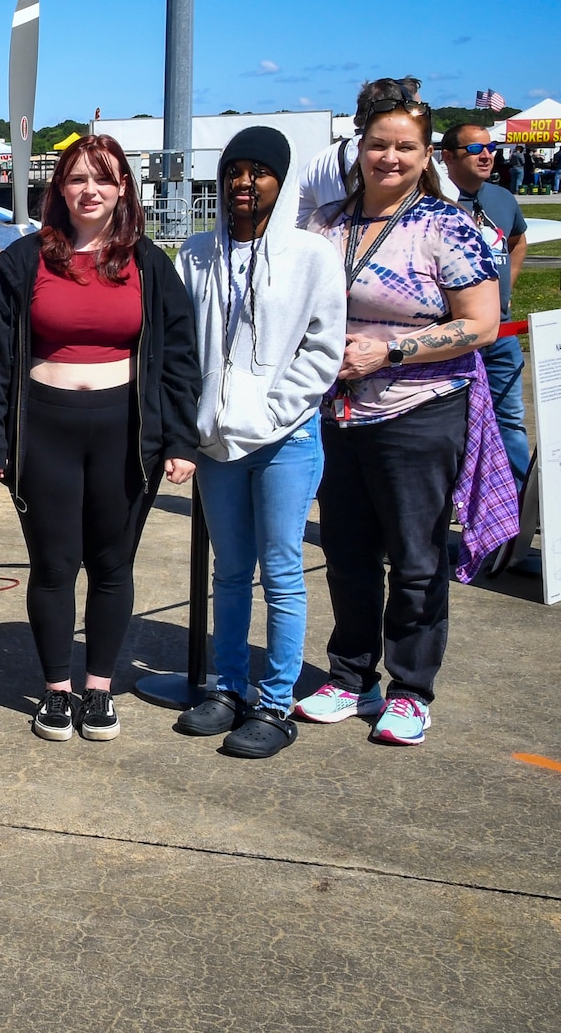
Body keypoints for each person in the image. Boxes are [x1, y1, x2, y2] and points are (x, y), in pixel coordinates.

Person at [297, 87, 514, 746]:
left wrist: (390, 349)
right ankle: (351, 676)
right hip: (336, 414)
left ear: (427, 158)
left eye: (405, 147)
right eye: (378, 145)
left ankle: (411, 690)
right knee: (348, 553)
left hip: (420, 412)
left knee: (417, 559)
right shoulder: (326, 223)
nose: (388, 157)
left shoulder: (446, 228)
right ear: (358, 149)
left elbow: (482, 324)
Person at [0, 134, 200, 742]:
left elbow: (178, 357)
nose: (90, 190)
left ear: (123, 186)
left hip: (124, 432)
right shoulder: (26, 261)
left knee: (111, 564)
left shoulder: (150, 264)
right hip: (44, 429)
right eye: (77, 178)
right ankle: (55, 690)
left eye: (103, 178)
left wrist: (179, 440)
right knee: (52, 565)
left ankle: (98, 689)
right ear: (61, 190)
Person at [174, 127, 345, 757]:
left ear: (280, 179)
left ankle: (276, 704)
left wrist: (273, 409)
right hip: (218, 443)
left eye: (260, 171)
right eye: (235, 171)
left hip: (286, 439)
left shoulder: (311, 255)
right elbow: (183, 346)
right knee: (230, 570)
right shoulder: (195, 253)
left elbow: (323, 347)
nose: (245, 183)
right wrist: (196, 422)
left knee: (281, 573)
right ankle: (227, 686)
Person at [439, 124, 529, 495]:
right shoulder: (437, 201)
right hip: (453, 337)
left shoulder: (502, 198)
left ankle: (522, 503)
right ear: (448, 157)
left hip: (501, 336)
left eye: (490, 146)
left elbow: (519, 238)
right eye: (474, 147)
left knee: (509, 420)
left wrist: (506, 290)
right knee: (454, 428)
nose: (486, 154)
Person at [296, 77, 421, 227]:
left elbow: (297, 218)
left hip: (335, 243)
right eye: (416, 110)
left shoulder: (320, 160)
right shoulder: (412, 156)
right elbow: (447, 199)